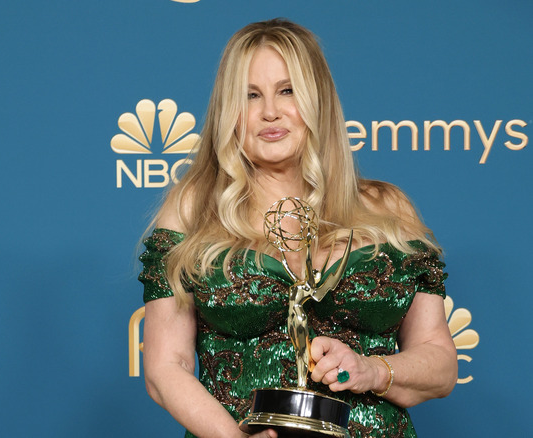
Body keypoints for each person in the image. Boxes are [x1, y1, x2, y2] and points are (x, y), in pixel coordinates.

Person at [139, 18, 458, 438]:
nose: (269, 111)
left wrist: (372, 370)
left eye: (287, 90)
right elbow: (166, 367)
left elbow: (440, 363)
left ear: (318, 99)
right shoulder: (192, 211)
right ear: (227, 111)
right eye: (250, 95)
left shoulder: (388, 209)